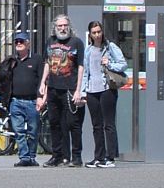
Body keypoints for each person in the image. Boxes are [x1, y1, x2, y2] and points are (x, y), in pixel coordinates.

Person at [38, 14, 86, 167]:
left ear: (69, 26)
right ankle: (58, 156)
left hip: (69, 88)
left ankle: (76, 157)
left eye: (65, 25)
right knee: (54, 122)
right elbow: (47, 63)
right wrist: (43, 82)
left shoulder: (76, 42)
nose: (63, 28)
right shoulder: (50, 41)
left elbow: (81, 67)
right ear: (55, 27)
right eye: (60, 26)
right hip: (53, 88)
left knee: (73, 124)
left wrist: (78, 89)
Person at [84, 21, 128, 168]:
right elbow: (85, 72)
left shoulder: (110, 47)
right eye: (94, 32)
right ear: (90, 34)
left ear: (102, 32)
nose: (97, 35)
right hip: (92, 90)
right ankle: (99, 157)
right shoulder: (88, 50)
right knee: (96, 125)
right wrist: (83, 90)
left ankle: (110, 157)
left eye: (99, 32)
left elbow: (123, 64)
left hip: (107, 88)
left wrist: (109, 63)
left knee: (108, 124)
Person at [3, 32, 45, 167]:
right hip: (15, 101)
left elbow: (43, 80)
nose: (18, 44)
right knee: (19, 131)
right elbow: (3, 77)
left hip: (32, 101)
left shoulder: (37, 59)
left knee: (33, 131)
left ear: (28, 43)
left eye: (21, 41)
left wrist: (41, 97)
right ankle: (24, 157)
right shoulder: (12, 61)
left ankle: (32, 157)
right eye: (16, 42)